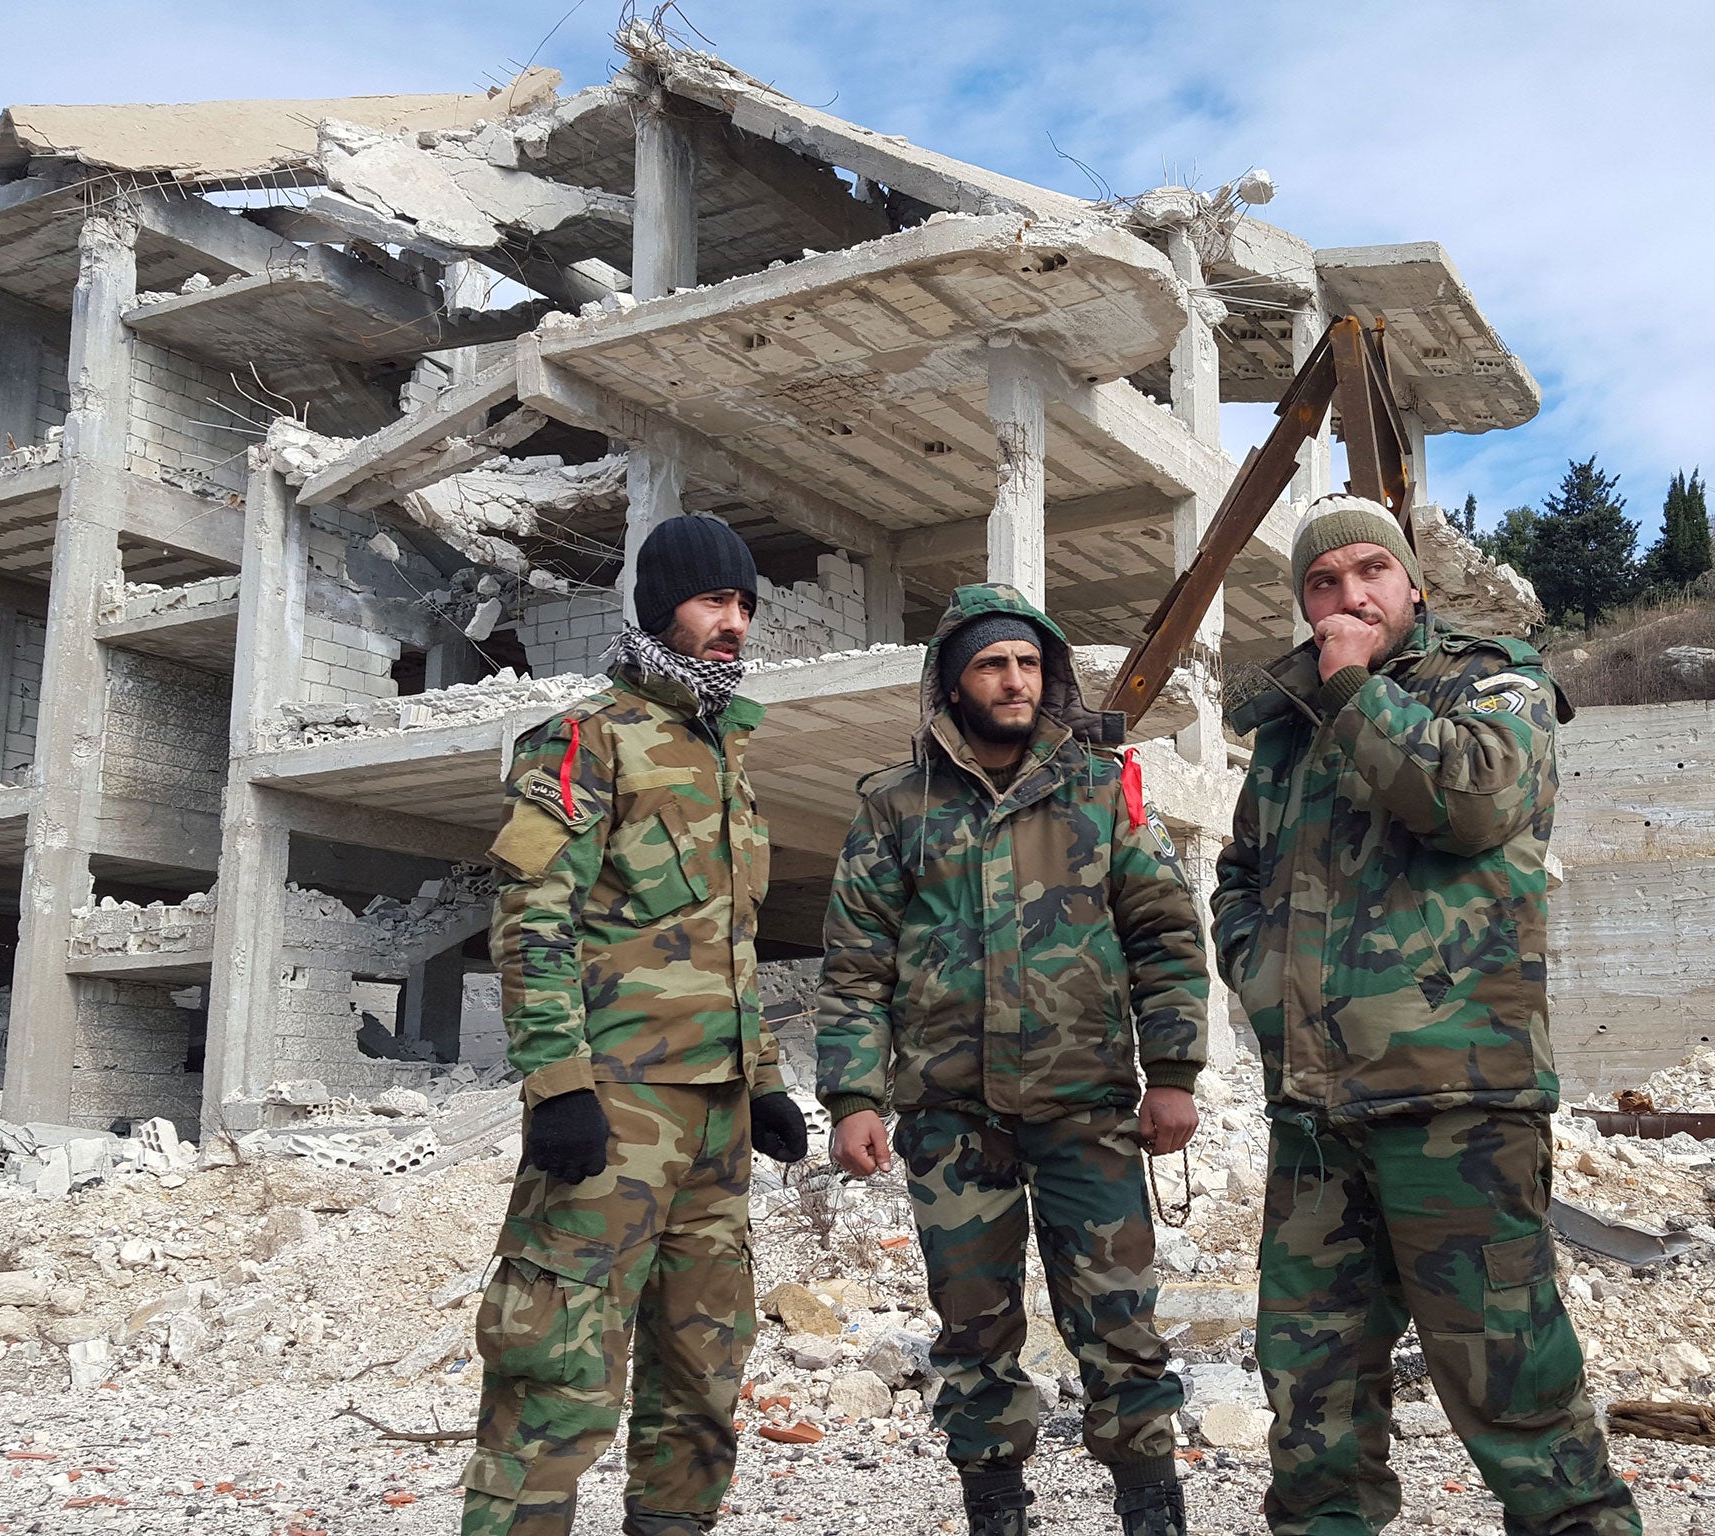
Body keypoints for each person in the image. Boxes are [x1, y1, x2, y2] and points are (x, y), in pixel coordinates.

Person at [1214, 493, 1641, 1536]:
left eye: (1368, 572)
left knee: (1510, 1385)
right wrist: (1256, 969)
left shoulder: (1493, 682)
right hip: (1313, 1111)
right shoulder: (1287, 730)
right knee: (1310, 1399)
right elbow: (1238, 873)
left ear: (1409, 583)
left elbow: (1472, 800)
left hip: (1453, 1099)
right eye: (1321, 583)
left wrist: (1354, 683)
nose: (1346, 595)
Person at [816, 582, 1210, 1536]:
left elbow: (1164, 934)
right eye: (991, 664)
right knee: (975, 1332)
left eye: (1029, 663)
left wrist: (1174, 1075)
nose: (1014, 679)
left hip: (1088, 1113)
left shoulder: (1098, 792)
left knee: (1120, 1324)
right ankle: (995, 1510)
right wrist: (853, 1098)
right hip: (953, 1120)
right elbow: (856, 965)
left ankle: (1152, 1511)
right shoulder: (895, 807)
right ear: (953, 683)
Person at [463, 514, 811, 1536]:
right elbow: (532, 918)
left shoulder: (725, 758)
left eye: (744, 604)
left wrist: (767, 1080)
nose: (732, 623)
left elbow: (731, 947)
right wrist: (556, 1084)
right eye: (714, 601)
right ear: (662, 606)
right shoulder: (587, 739)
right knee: (556, 1371)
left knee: (702, 1375)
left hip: (714, 1126)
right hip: (612, 1115)